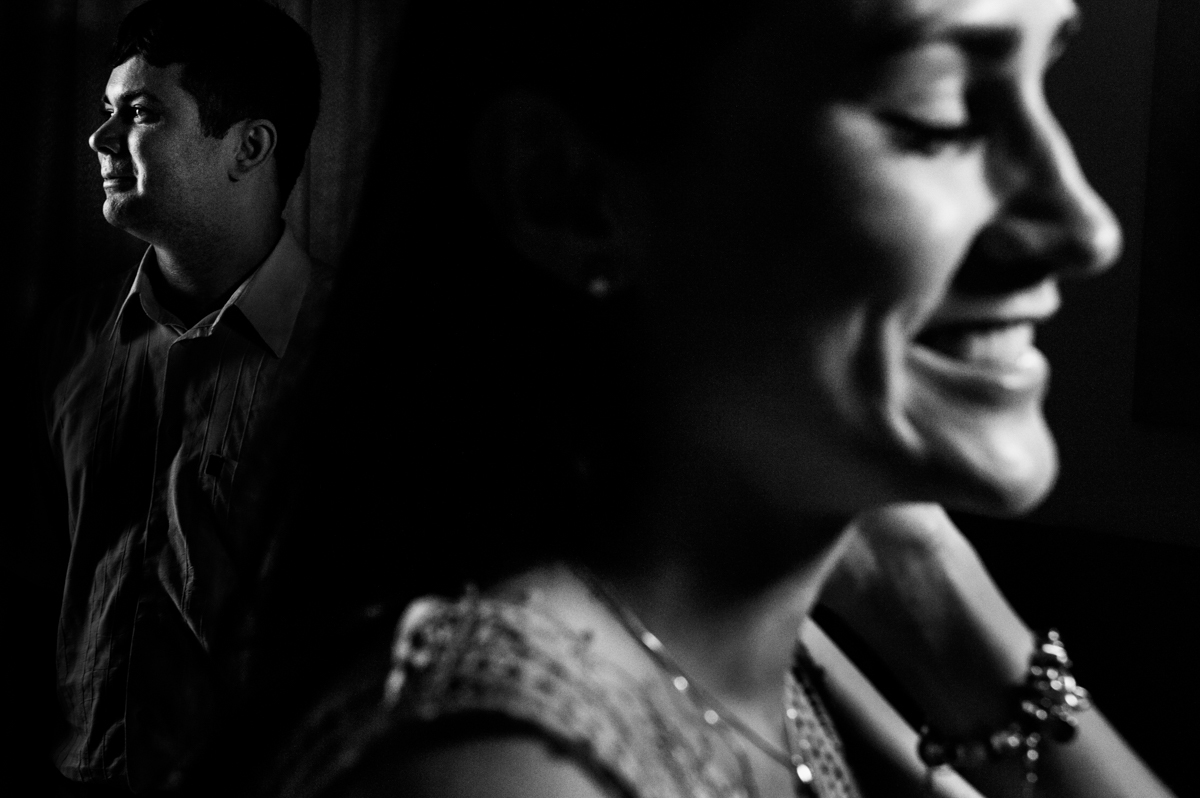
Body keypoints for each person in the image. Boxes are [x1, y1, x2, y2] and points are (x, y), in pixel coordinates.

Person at [246, 0, 1175, 796]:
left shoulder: (746, 667)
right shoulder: (512, 767)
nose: (1085, 227)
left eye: (1044, 80)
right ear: (568, 193)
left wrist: (934, 590)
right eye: (934, 113)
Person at [38, 1, 325, 794]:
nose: (99, 138)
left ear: (249, 147)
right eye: (106, 110)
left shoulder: (345, 357)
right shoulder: (70, 345)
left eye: (140, 113)